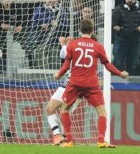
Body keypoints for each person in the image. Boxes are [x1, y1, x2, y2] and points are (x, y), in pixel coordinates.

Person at [54, 19, 129, 148]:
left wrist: (58, 75)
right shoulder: (97, 46)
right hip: (91, 84)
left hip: (75, 83)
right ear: (92, 31)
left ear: (80, 30)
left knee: (64, 109)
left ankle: (70, 140)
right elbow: (107, 65)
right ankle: (100, 140)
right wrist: (120, 73)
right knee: (102, 112)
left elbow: (66, 65)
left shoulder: (73, 44)